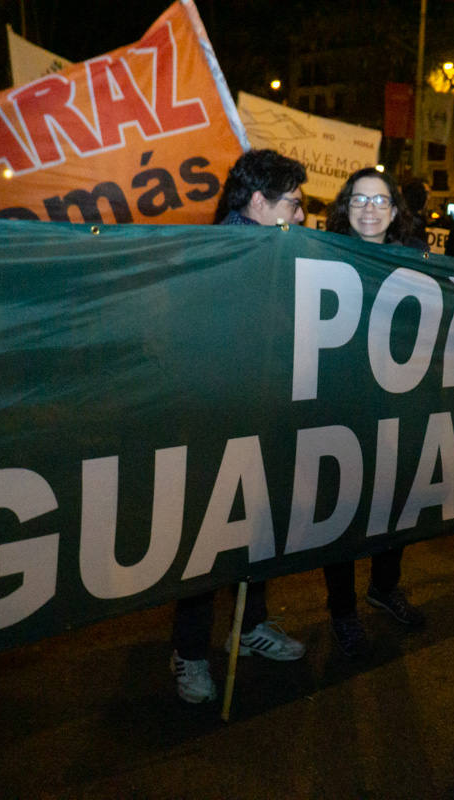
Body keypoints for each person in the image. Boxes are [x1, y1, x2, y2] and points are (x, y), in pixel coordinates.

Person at [170, 149, 308, 705]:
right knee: (209, 540)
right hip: (217, 421)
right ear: (258, 202)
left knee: (258, 528)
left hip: (265, 414)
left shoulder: (277, 249)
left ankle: (248, 627)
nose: (301, 217)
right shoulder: (215, 257)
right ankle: (189, 654)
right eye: (293, 206)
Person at [323, 167, 427, 658]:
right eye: (360, 199)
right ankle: (342, 612)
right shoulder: (319, 255)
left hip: (393, 403)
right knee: (340, 512)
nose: (369, 208)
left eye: (379, 200)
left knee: (394, 501)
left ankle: (385, 588)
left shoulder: (413, 264)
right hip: (338, 406)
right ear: (345, 206)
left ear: (394, 210)